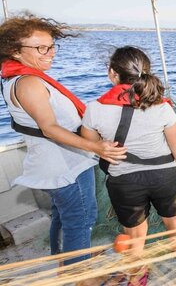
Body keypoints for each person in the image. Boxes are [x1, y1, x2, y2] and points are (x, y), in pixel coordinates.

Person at [0, 14, 127, 266]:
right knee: (81, 219)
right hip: (64, 165)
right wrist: (97, 147)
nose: (50, 53)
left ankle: (63, 261)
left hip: (58, 161)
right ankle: (81, 277)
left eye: (51, 46)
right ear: (15, 51)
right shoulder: (29, 83)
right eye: (40, 48)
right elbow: (49, 128)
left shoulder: (18, 78)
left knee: (63, 215)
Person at [81, 46, 176, 286]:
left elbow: (91, 144)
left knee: (134, 233)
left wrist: (106, 144)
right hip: (163, 177)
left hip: (124, 181)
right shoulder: (162, 106)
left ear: (113, 73)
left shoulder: (95, 108)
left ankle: (136, 276)